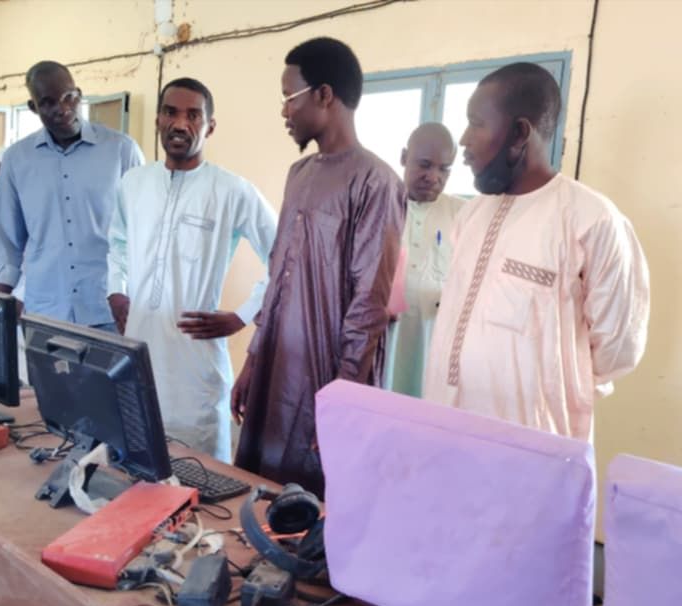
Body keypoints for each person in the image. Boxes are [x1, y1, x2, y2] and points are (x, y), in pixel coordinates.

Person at [423, 62, 650, 440]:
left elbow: (616, 350)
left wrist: (543, 384)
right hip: (445, 428)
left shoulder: (591, 221)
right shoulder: (471, 215)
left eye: (476, 122)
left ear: (519, 133)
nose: (463, 139)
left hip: (531, 450)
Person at [232, 38, 406, 495]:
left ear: (324, 95)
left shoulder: (376, 182)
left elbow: (369, 302)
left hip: (327, 375)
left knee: (316, 503)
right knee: (258, 491)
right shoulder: (299, 174)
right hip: (276, 360)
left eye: (289, 98)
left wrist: (341, 401)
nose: (284, 112)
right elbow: (277, 275)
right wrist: (253, 359)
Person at [106, 78, 278, 462]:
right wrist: (115, 291)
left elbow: (285, 255)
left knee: (201, 481)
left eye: (193, 115)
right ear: (157, 120)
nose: (180, 124)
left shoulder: (232, 191)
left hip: (194, 368)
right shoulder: (133, 184)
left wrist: (243, 315)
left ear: (209, 126)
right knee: (135, 469)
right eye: (171, 112)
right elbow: (116, 243)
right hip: (137, 351)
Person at [0, 61, 144, 329]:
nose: (63, 109)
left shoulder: (121, 151)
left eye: (69, 97)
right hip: (45, 313)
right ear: (33, 107)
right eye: (48, 102)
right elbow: (6, 245)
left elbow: (141, 233)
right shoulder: (17, 160)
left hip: (108, 311)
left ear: (79, 95)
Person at [384, 123, 465, 398]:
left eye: (444, 169)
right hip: (385, 340)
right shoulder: (377, 206)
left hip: (436, 343)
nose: (433, 177)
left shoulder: (464, 215)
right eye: (425, 165)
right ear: (404, 157)